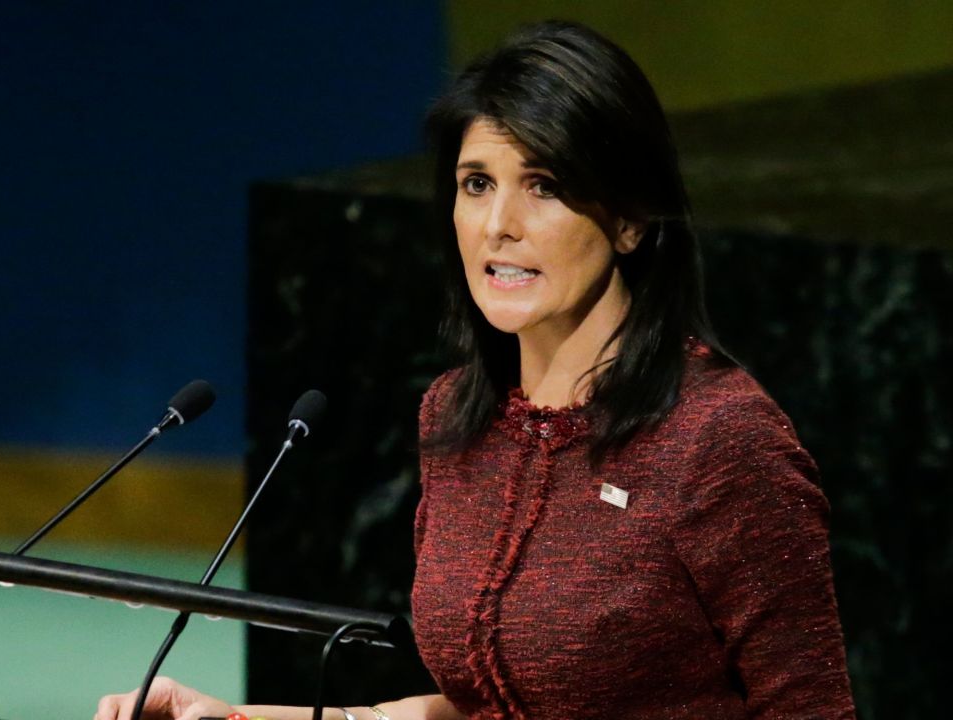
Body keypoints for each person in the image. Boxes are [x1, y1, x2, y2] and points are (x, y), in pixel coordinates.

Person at [96, 20, 856, 720]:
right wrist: (231, 717)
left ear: (629, 219)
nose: (499, 226)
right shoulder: (459, 415)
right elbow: (488, 707)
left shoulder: (720, 439)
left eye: (545, 186)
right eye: (476, 184)